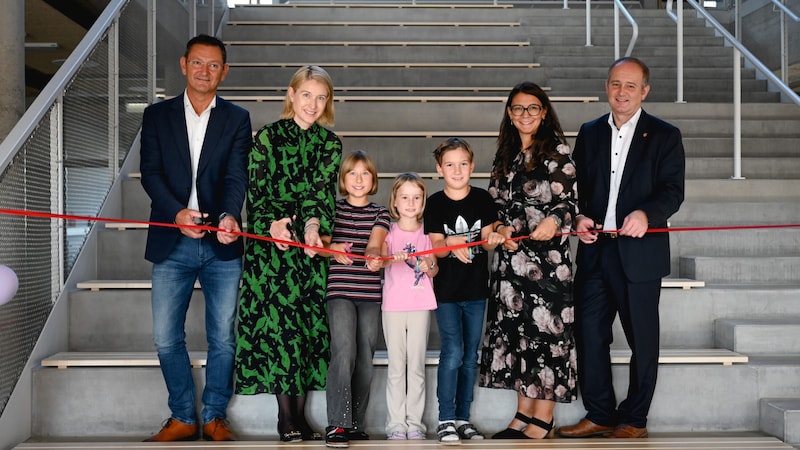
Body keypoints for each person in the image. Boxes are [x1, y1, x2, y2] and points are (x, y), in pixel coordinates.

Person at [556, 57, 685, 439]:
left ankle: (635, 419)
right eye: (615, 84)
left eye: (631, 86)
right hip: (596, 250)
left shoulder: (664, 134)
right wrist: (577, 218)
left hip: (640, 252)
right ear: (607, 87)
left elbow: (673, 192)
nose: (622, 92)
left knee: (642, 339)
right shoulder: (590, 131)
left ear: (644, 91)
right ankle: (600, 413)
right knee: (589, 334)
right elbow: (575, 188)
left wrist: (647, 213)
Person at [139, 34, 251, 442]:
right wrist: (176, 213)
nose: (206, 71)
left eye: (214, 65)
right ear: (184, 64)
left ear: (225, 71)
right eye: (198, 63)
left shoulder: (237, 118)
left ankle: (215, 415)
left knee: (224, 334)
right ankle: (183, 415)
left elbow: (237, 175)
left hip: (221, 242)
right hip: (172, 238)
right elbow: (150, 173)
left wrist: (227, 215)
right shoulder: (157, 115)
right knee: (166, 336)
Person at [234, 65, 342, 443]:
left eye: (321, 96)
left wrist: (313, 228)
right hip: (272, 251)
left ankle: (300, 415)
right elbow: (257, 194)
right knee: (280, 330)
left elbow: (321, 194)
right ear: (292, 94)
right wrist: (272, 225)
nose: (313, 104)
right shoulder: (266, 138)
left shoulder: (330, 144)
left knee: (308, 331)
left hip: (309, 252)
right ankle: (286, 418)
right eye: (307, 94)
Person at [478, 81, 578, 440]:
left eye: (532, 108)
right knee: (519, 337)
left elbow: (568, 204)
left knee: (546, 336)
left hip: (546, 264)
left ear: (544, 112)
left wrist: (553, 220)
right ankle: (522, 414)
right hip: (509, 264)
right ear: (509, 113)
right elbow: (494, 206)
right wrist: (501, 226)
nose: (525, 115)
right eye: (518, 108)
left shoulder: (557, 152)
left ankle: (544, 418)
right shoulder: (504, 155)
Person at [423, 137, 506, 444]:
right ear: (439, 169)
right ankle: (445, 418)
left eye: (463, 164)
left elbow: (486, 240)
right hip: (446, 293)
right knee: (453, 352)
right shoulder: (434, 203)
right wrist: (451, 243)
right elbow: (437, 250)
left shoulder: (483, 199)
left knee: (470, 356)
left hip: (475, 291)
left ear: (472, 166)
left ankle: (462, 418)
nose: (457, 170)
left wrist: (493, 239)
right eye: (450, 165)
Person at [322, 150, 392, 448]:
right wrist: (334, 247)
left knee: (365, 355)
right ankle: (338, 423)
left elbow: (376, 243)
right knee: (344, 351)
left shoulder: (381, 213)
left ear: (373, 179)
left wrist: (375, 257)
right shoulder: (332, 210)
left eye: (365, 173)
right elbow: (321, 245)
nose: (359, 179)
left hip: (369, 294)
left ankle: (355, 423)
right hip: (339, 292)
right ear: (343, 179)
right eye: (352, 173)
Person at [366, 172, 438, 441]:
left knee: (416, 366)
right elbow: (379, 260)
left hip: (420, 305)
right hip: (394, 307)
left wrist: (427, 264)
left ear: (423, 202)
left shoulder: (428, 232)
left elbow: (434, 269)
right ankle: (396, 424)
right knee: (397, 366)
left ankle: (415, 424)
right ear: (394, 201)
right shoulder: (389, 231)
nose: (410, 202)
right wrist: (388, 257)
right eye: (404, 197)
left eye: (416, 197)